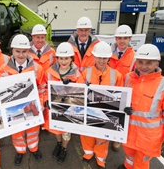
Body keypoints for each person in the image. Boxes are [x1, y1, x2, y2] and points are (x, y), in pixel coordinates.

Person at [0, 34, 46, 166]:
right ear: (12, 51)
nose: (21, 55)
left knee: (33, 130)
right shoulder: (3, 70)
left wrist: (41, 103)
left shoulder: (37, 68)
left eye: (24, 51)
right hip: (13, 110)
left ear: (28, 51)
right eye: (18, 51)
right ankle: (20, 151)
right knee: (17, 132)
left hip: (32, 107)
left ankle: (34, 148)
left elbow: (42, 87)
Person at [77, 41, 124, 169]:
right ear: (94, 57)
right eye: (99, 57)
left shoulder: (116, 75)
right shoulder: (86, 73)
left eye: (104, 58)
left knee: (103, 138)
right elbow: (78, 92)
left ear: (109, 58)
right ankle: (88, 153)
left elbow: (121, 97)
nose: (101, 61)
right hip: (88, 112)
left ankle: (100, 158)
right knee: (86, 135)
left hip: (107, 114)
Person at [118, 44, 164, 169]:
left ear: (157, 64)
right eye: (140, 62)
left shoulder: (162, 84)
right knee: (129, 155)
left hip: (148, 137)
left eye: (149, 63)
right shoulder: (128, 78)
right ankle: (127, 166)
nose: (143, 66)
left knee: (141, 163)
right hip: (129, 131)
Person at [45, 42, 83, 164]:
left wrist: (71, 86)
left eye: (66, 58)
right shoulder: (50, 72)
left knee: (66, 131)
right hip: (55, 107)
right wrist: (46, 99)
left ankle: (64, 148)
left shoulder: (76, 73)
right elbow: (45, 88)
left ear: (71, 58)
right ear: (57, 58)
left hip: (69, 108)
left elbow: (81, 90)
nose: (63, 61)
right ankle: (59, 143)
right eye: (61, 58)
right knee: (56, 129)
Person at [108, 24, 135, 151]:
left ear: (130, 39)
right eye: (119, 38)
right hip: (109, 90)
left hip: (124, 92)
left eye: (125, 38)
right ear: (116, 38)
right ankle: (107, 134)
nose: (122, 41)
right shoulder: (108, 53)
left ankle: (116, 140)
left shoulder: (134, 57)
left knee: (120, 118)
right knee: (109, 114)